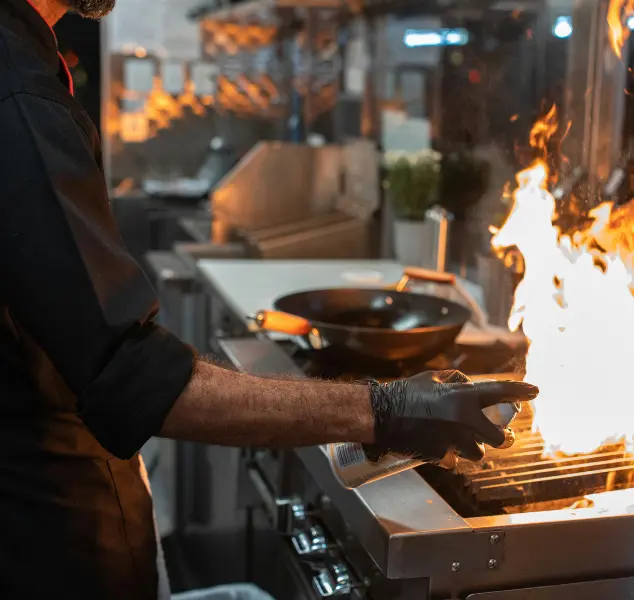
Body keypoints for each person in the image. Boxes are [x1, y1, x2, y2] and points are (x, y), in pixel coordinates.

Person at [0, 0, 539, 597]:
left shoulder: (28, 64)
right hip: (42, 540)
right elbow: (129, 374)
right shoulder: (17, 93)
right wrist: (382, 411)